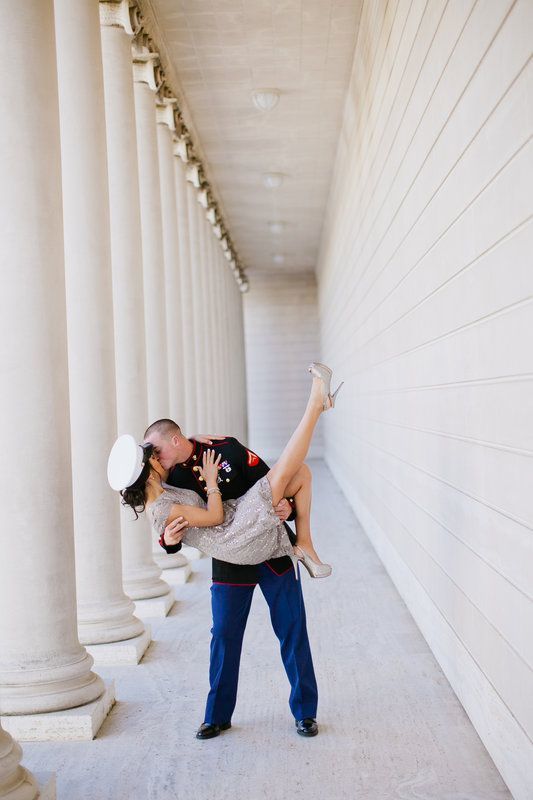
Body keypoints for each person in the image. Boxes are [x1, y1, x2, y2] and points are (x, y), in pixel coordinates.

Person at [138, 362, 342, 739]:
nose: (159, 462)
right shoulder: (171, 483)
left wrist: (289, 510)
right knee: (224, 636)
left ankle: (305, 712)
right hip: (231, 561)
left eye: (160, 453)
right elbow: (166, 526)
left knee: (292, 628)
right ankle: (216, 715)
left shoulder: (226, 448)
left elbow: (275, 483)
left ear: (177, 441)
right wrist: (167, 542)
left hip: (270, 551)